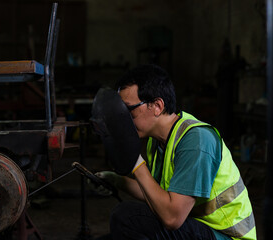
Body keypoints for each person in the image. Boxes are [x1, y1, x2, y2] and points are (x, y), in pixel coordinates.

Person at [94, 64, 256, 240]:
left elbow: (172, 218)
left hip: (225, 235)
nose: (123, 118)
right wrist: (116, 181)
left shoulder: (196, 141)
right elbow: (157, 196)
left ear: (157, 106)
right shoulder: (156, 142)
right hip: (196, 227)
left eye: (128, 110)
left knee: (126, 217)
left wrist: (137, 166)